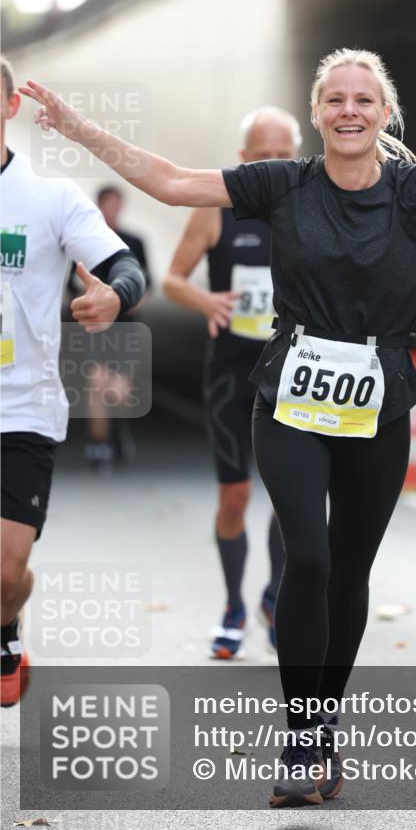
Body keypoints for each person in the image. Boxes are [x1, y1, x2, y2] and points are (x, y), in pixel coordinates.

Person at [19, 48, 416, 804]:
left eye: (363, 100)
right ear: (315, 113)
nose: (348, 110)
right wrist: (81, 130)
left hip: (380, 401)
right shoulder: (283, 183)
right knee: (305, 553)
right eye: (334, 99)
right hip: (289, 396)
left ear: (383, 113)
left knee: (349, 570)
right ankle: (302, 735)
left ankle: (323, 725)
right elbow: (174, 183)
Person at [1, 56, 146, 707]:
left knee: (5, 571)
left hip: (23, 408)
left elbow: (125, 265)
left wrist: (115, 297)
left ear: (9, 109)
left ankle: (8, 615)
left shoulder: (49, 197)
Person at [162, 107, 300, 658]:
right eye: (260, 156)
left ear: (298, 156)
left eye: (282, 156)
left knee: (292, 500)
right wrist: (204, 298)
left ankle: (272, 597)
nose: (271, 165)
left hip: (293, 375)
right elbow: (171, 279)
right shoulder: (217, 209)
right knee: (235, 495)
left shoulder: (313, 209)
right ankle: (233, 607)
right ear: (243, 160)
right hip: (230, 374)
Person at [67, 185, 153, 474]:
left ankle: (118, 429)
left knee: (120, 391)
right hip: (94, 327)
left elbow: (147, 285)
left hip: (126, 327)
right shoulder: (83, 243)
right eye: (107, 204)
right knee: (95, 383)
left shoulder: (134, 242)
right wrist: (86, 302)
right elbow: (70, 284)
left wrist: (126, 301)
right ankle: (99, 443)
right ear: (99, 206)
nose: (111, 210)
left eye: (116, 205)